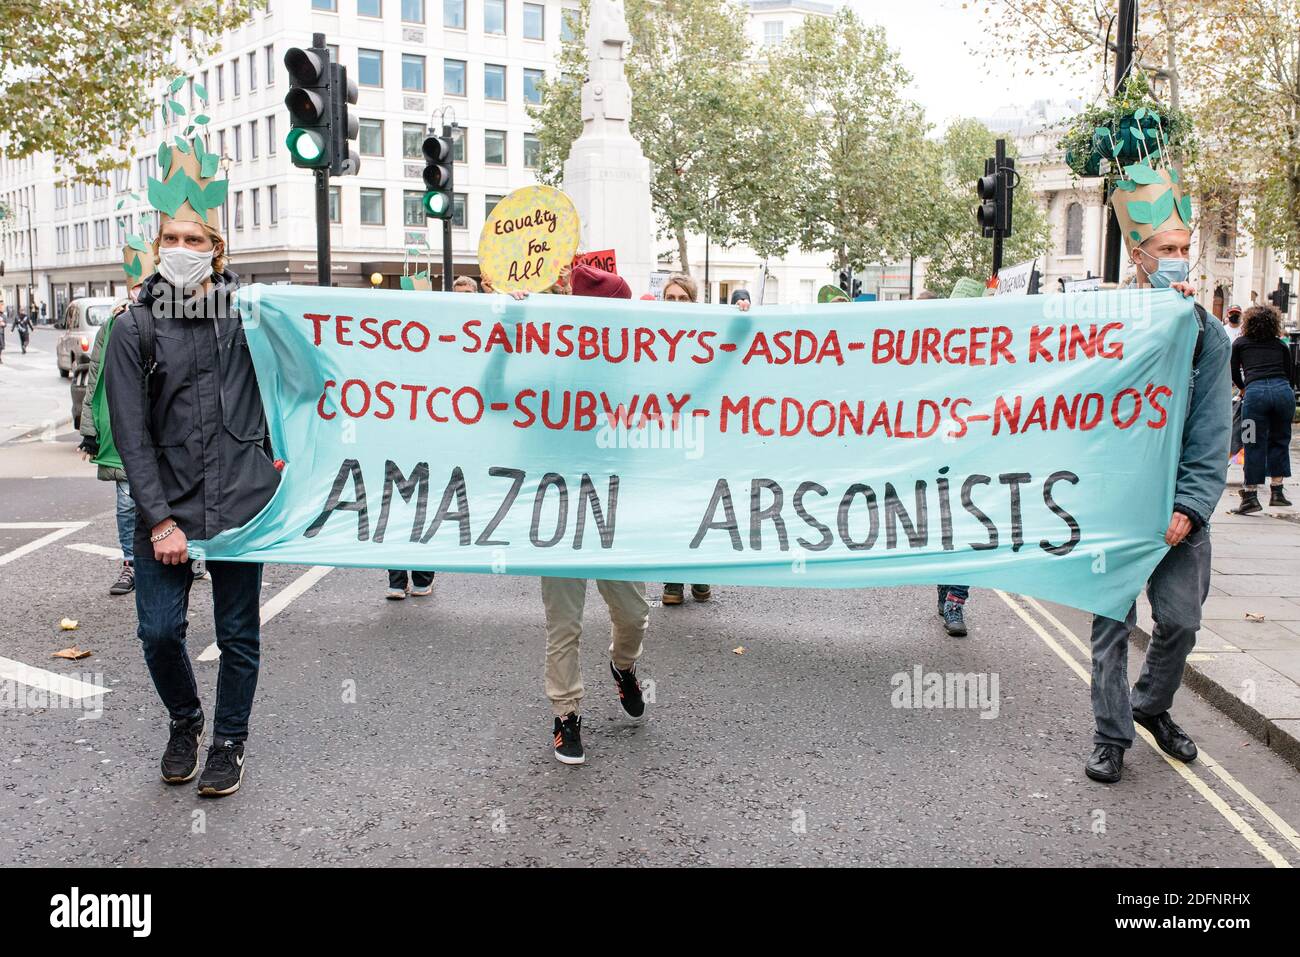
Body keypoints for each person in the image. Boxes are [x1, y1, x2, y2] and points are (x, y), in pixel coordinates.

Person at [106, 197, 280, 798]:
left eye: (194, 240)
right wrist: (158, 522)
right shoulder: (133, 326)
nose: (180, 250)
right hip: (168, 504)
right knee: (157, 631)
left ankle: (229, 742)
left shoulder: (253, 317)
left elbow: (325, 362)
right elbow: (131, 433)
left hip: (239, 501)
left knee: (238, 633)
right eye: (171, 239)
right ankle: (186, 720)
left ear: (217, 251)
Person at [1084, 162, 1230, 785]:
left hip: (1178, 510)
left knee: (1181, 622)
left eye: (1184, 249)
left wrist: (1192, 505)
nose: (1178, 259)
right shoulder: (1106, 323)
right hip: (1117, 505)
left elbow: (1212, 429)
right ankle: (1111, 734)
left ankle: (1151, 707)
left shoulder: (1207, 333)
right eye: (1166, 249)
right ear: (1138, 256)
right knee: (1112, 626)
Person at [534, 263, 649, 765]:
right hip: (558, 512)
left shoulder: (637, 367)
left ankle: (622, 666)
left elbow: (699, 388)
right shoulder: (546, 362)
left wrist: (738, 326)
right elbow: (492, 391)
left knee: (634, 614)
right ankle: (566, 714)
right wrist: (504, 323)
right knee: (564, 624)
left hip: (616, 514)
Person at [78, 255, 149, 596]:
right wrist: (89, 429)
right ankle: (131, 562)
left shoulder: (177, 316)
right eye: (135, 286)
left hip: (164, 425)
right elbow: (97, 374)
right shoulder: (114, 323)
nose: (140, 292)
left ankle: (189, 553)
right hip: (122, 423)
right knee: (126, 501)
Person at [656, 272, 715, 607]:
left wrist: (744, 311)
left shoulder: (708, 332)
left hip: (701, 430)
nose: (676, 304)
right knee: (670, 505)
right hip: (663, 432)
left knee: (700, 502)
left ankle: (702, 570)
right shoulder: (649, 333)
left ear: (694, 302)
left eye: (683, 299)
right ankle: (674, 578)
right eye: (670, 298)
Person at [1230, 304, 1295, 513]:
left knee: (1251, 442)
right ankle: (1277, 492)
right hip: (1283, 394)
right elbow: (1291, 374)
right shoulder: (1280, 345)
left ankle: (1250, 496)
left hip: (1255, 395)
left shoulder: (1240, 344)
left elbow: (1232, 372)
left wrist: (1243, 388)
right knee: (1280, 440)